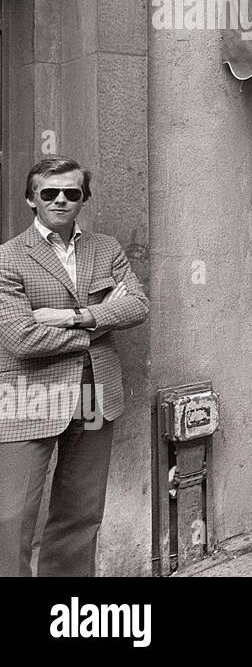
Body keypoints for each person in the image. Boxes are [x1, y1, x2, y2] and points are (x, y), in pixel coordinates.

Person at [0, 157, 149, 576]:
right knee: (11, 521)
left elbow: (137, 305)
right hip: (29, 394)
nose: (61, 200)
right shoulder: (8, 259)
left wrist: (71, 317)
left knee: (80, 513)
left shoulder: (107, 248)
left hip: (94, 392)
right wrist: (100, 319)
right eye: (49, 193)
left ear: (84, 197)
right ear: (31, 199)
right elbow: (21, 339)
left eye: (72, 192)